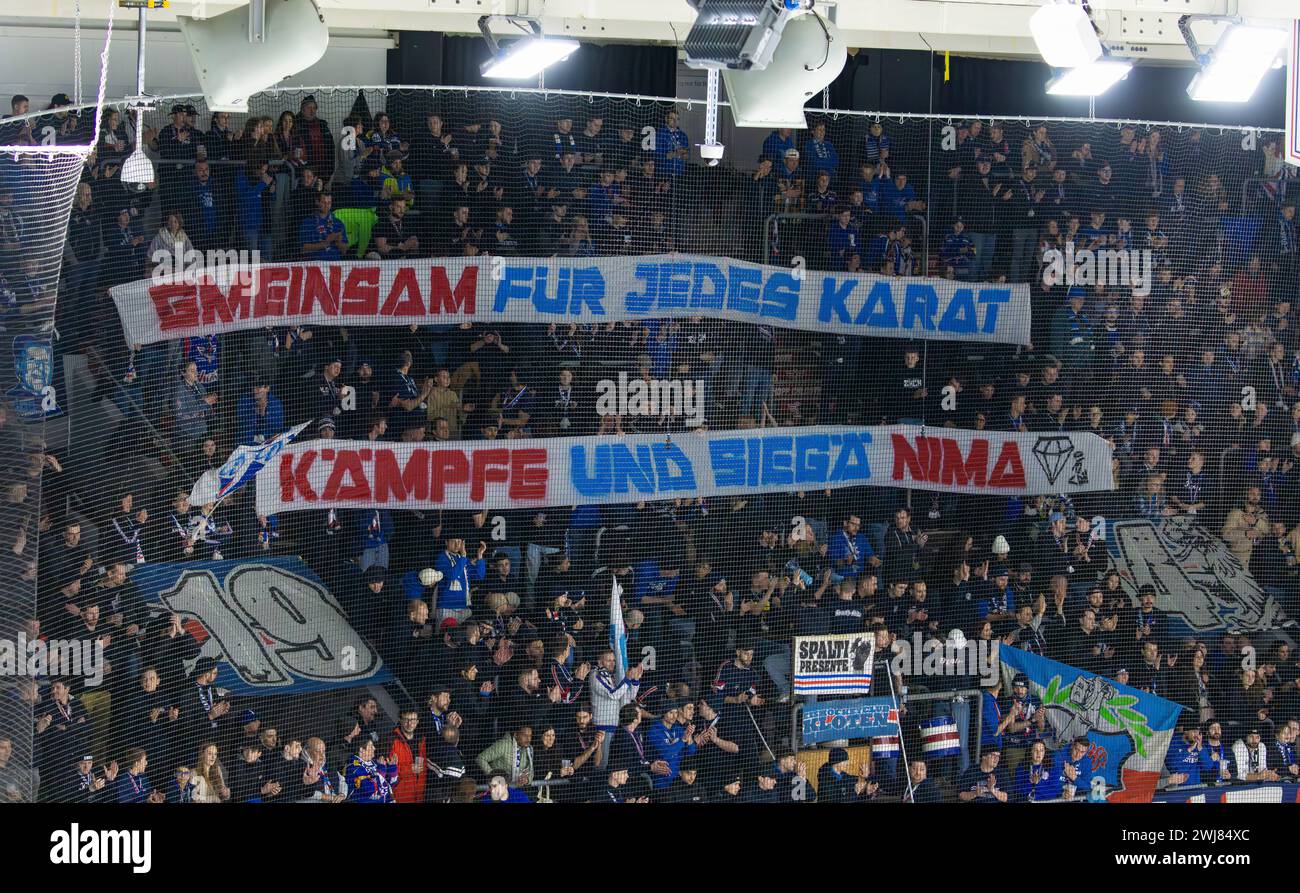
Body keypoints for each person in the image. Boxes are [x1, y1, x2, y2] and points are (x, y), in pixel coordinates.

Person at [345, 737, 398, 803]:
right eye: (371, 746)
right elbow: (370, 789)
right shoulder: (353, 767)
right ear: (362, 750)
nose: (374, 748)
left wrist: (392, 769)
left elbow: (391, 785)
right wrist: (381, 772)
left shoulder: (375, 763)